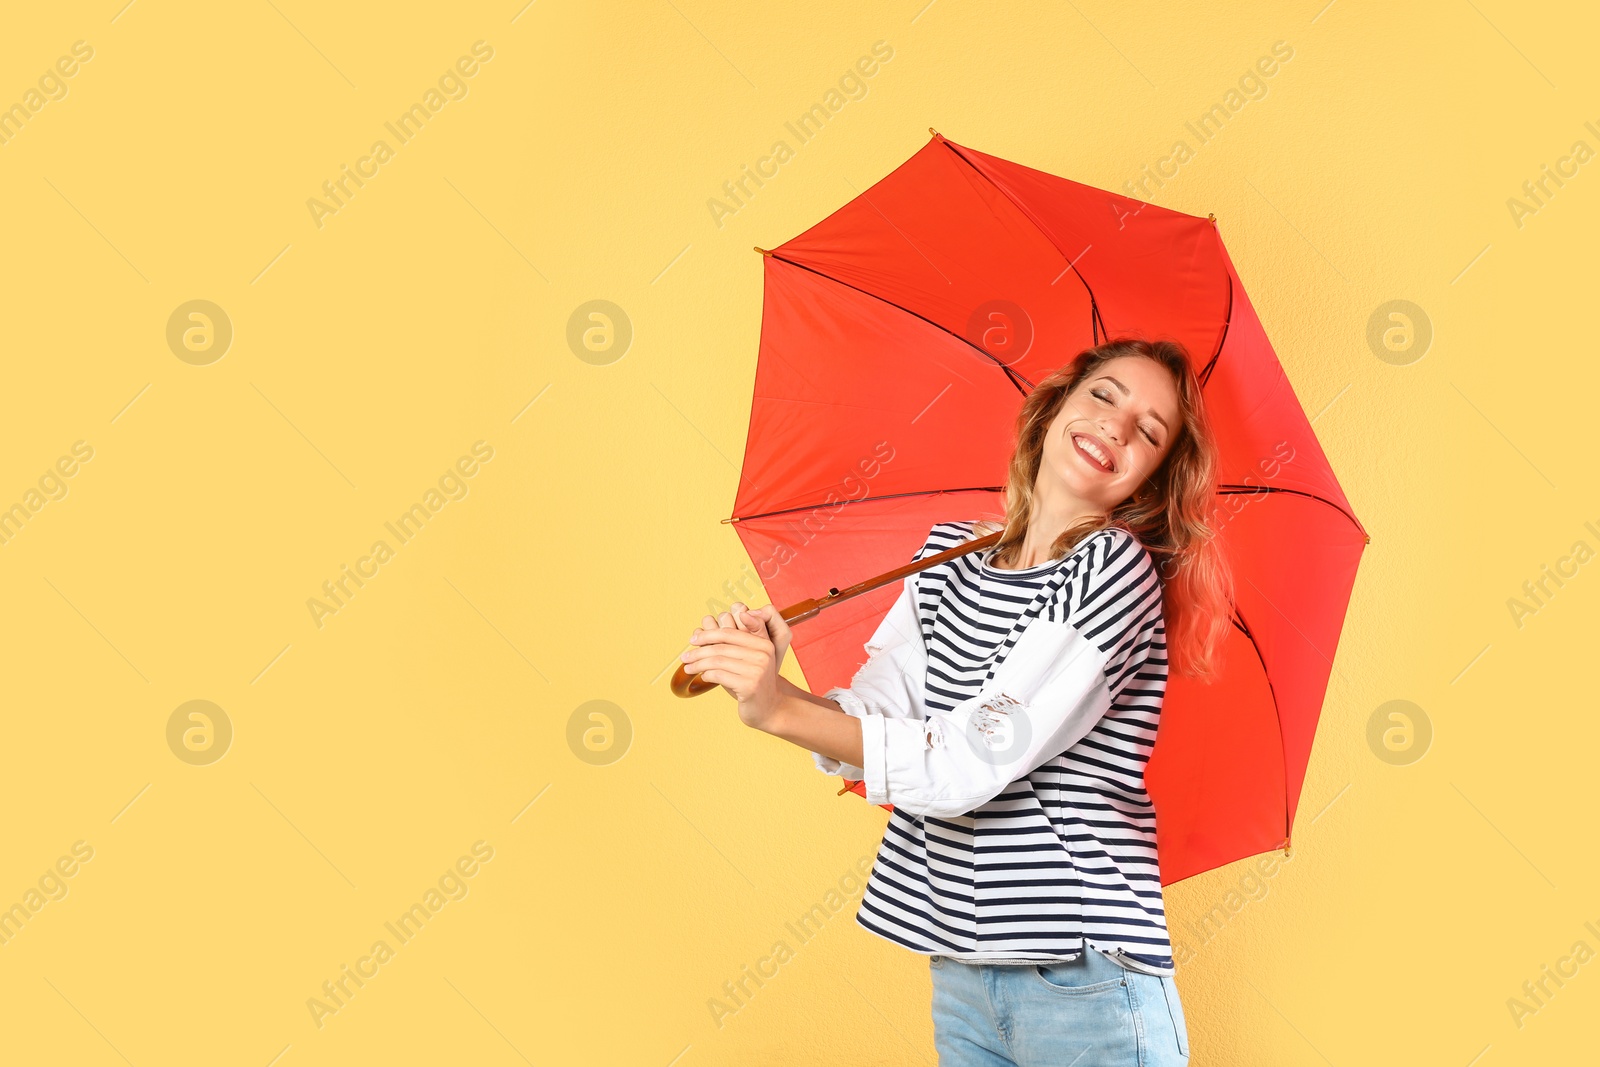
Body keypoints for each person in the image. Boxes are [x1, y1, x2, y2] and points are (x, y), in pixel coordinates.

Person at [680, 336, 1233, 1066]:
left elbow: (967, 763)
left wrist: (778, 709)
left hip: (1078, 968)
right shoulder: (948, 558)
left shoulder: (1112, 570)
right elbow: (881, 719)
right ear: (1054, 406)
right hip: (960, 958)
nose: (1117, 426)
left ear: (1152, 481)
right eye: (1103, 394)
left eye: (1150, 431)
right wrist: (771, 684)